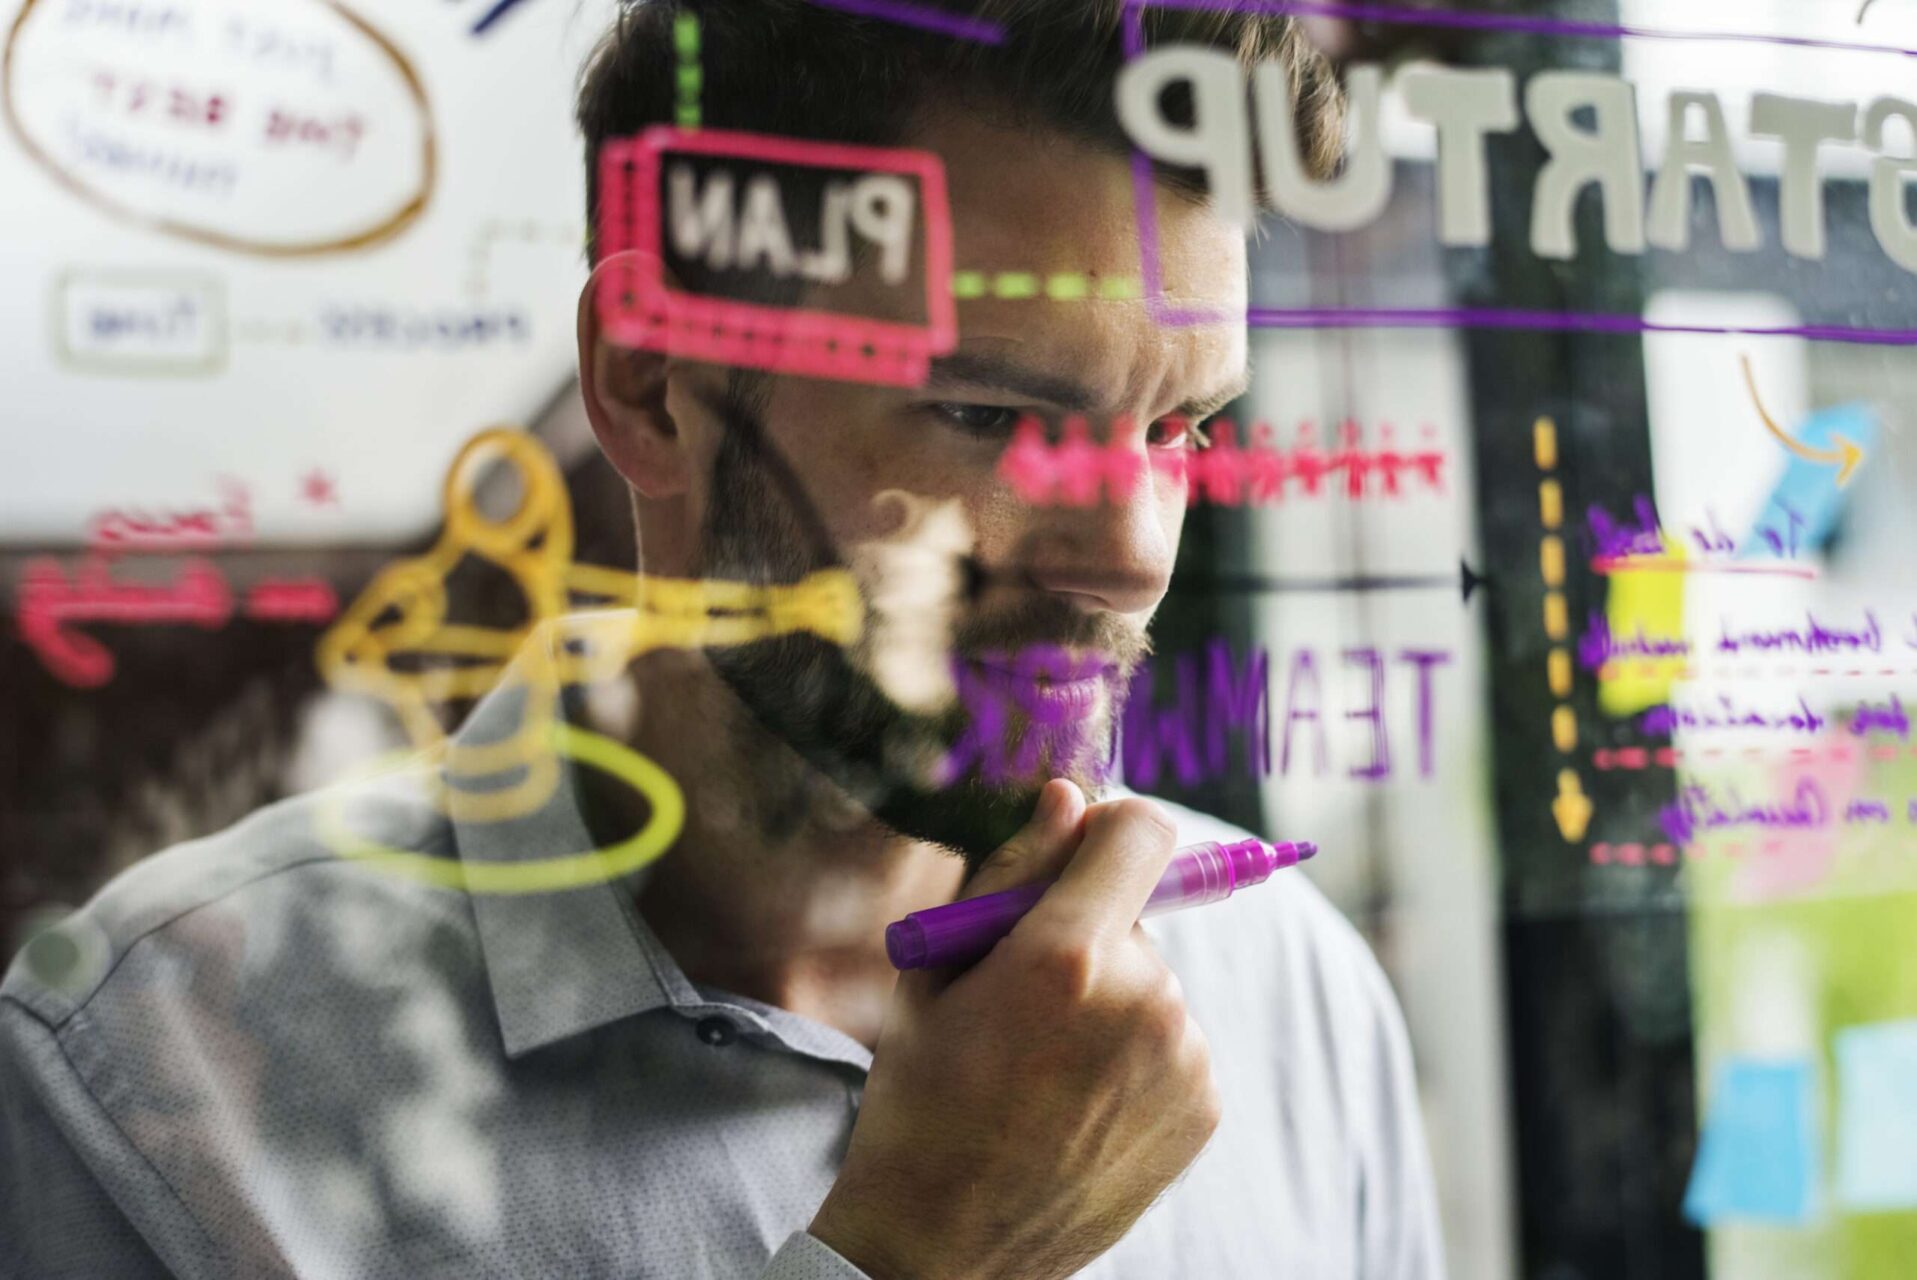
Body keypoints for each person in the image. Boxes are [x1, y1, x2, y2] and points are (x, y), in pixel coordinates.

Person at [0, 2, 1443, 1276]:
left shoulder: (1291, 994)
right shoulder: (149, 1069)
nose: (1132, 552)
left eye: (1181, 429)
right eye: (990, 418)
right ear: (649, 384)